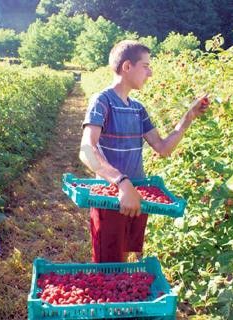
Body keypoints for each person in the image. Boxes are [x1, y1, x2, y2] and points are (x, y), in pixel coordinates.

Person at [79, 40, 210, 263]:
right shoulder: (102, 101)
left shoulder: (138, 108)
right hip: (111, 198)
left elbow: (163, 148)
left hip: (136, 196)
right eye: (146, 66)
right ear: (127, 67)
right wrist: (121, 182)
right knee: (108, 264)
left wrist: (189, 117)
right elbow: (86, 150)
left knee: (125, 257)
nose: (149, 73)